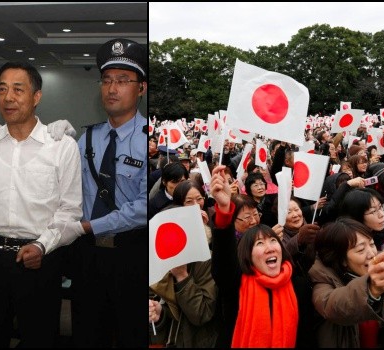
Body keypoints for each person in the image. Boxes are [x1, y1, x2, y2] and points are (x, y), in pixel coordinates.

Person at [0, 61, 83, 347]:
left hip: (40, 260)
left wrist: (41, 246)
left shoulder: (61, 146)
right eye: (2, 89)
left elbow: (70, 210)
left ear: (36, 97)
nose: (8, 98)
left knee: (40, 338)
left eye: (18, 89)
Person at [72, 38, 149, 347]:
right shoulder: (86, 138)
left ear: (141, 88)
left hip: (130, 252)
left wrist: (94, 225)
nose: (112, 89)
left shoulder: (148, 139)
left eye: (122, 81)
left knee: (131, 331)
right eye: (106, 81)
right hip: (88, 253)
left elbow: (145, 206)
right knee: (88, 332)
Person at [209, 165, 314, 348]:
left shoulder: (300, 287)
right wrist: (224, 210)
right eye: (259, 243)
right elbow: (223, 266)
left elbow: (307, 336)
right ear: (247, 255)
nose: (269, 248)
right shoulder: (237, 284)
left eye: (273, 241)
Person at [308, 218, 384, 347]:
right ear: (342, 259)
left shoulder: (383, 269)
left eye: (371, 244)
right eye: (361, 250)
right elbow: (333, 305)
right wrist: (371, 290)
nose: (372, 254)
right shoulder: (321, 278)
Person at [149, 204, 218, 348]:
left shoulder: (206, 262)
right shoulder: (158, 263)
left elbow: (201, 314)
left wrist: (182, 276)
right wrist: (159, 313)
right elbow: (170, 312)